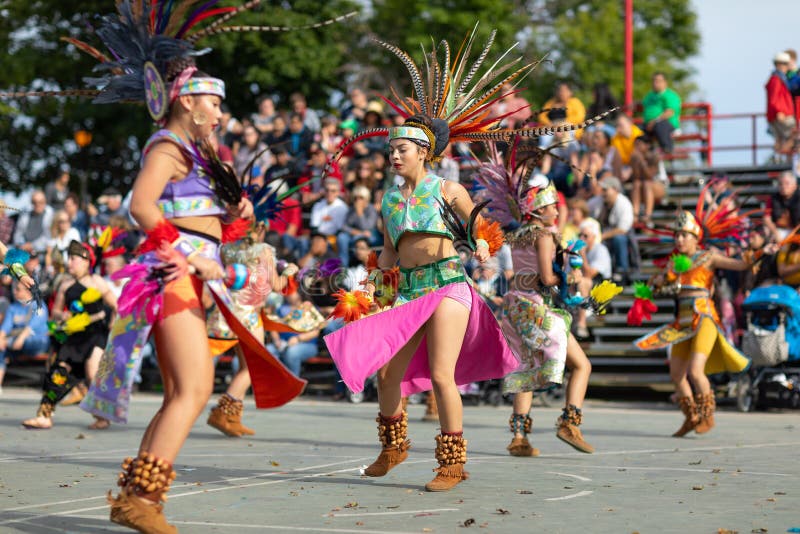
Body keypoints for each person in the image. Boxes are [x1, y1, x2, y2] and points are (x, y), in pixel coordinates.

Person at [473, 149, 601, 458]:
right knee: (582, 365)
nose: (557, 211)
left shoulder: (517, 236)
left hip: (515, 306)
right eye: (552, 206)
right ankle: (570, 423)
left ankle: (519, 437)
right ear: (540, 210)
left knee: (525, 368)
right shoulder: (544, 235)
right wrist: (569, 279)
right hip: (535, 306)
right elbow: (546, 276)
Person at [629, 204, 752, 438]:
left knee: (696, 372)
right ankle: (691, 417)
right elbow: (660, 287)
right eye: (677, 235)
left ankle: (708, 416)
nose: (679, 239)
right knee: (677, 375)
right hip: (682, 322)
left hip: (703, 317)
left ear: (696, 237)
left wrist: (757, 253)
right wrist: (654, 285)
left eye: (684, 235)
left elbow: (742, 265)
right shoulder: (674, 264)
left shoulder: (708, 257)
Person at [22, 240, 116, 430]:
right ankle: (44, 415)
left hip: (96, 335)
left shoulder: (96, 281)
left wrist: (112, 323)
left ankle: (102, 417)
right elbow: (55, 310)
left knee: (92, 374)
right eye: (69, 258)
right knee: (58, 372)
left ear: (86, 261)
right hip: (74, 336)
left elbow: (117, 305)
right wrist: (62, 315)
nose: (69, 262)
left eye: (73, 258)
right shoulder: (65, 284)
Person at [0, 280, 50, 392]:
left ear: (28, 291)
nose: (14, 292)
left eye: (18, 289)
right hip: (16, 343)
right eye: (14, 289)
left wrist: (11, 341)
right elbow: (5, 328)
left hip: (37, 343)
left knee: (9, 343)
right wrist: (1, 338)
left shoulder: (38, 305)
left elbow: (32, 327)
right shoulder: (13, 308)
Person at [598, 176, 635, 280]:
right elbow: (587, 208)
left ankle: (622, 270)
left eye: (606, 190)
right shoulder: (601, 201)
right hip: (606, 236)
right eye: (602, 190)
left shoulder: (624, 203)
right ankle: (603, 272)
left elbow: (623, 229)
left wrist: (602, 236)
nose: (603, 192)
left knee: (619, 239)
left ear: (615, 190)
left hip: (623, 238)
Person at [765, 52, 797, 156]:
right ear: (779, 64)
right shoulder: (776, 79)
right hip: (781, 115)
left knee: (781, 139)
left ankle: (779, 161)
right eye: (785, 64)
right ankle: (782, 160)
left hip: (778, 114)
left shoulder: (779, 78)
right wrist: (779, 111)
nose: (787, 67)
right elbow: (774, 97)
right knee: (794, 135)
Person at [337, 185, 378, 265]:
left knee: (358, 239)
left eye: (361, 198)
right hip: (356, 233)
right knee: (341, 238)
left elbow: (367, 227)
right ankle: (343, 266)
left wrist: (360, 213)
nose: (357, 200)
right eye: (355, 198)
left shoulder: (371, 209)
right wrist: (357, 232)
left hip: (370, 234)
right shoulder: (352, 209)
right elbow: (344, 226)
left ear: (366, 198)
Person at [642, 72, 682, 153]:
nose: (655, 83)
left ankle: (668, 151)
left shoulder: (670, 95)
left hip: (666, 124)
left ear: (665, 82)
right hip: (649, 125)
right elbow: (642, 103)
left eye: (658, 81)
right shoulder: (650, 95)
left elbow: (669, 112)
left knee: (660, 126)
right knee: (636, 132)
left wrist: (654, 121)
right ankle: (647, 153)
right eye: (653, 81)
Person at [13, 190, 53, 256]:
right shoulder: (24, 215)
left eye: (41, 202)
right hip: (23, 251)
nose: (37, 204)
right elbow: (18, 234)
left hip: (42, 253)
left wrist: (32, 245)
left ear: (45, 202)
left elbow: (48, 237)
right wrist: (22, 245)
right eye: (34, 202)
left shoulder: (50, 215)